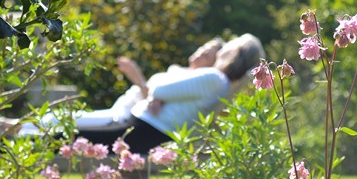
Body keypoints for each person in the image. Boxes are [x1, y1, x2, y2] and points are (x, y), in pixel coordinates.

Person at [74, 33, 265, 153]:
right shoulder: (219, 83)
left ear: (236, 53)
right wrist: (159, 96)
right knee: (70, 134)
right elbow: (162, 89)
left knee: (67, 136)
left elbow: (157, 87)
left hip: (145, 130)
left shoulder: (214, 78)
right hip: (147, 129)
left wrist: (158, 95)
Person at [15, 38, 224, 136]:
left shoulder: (195, 84)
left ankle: (8, 130)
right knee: (53, 119)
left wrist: (137, 77)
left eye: (207, 55)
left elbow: (151, 98)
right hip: (118, 111)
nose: (200, 53)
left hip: (122, 117)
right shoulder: (177, 71)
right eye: (202, 48)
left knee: (56, 122)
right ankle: (5, 126)